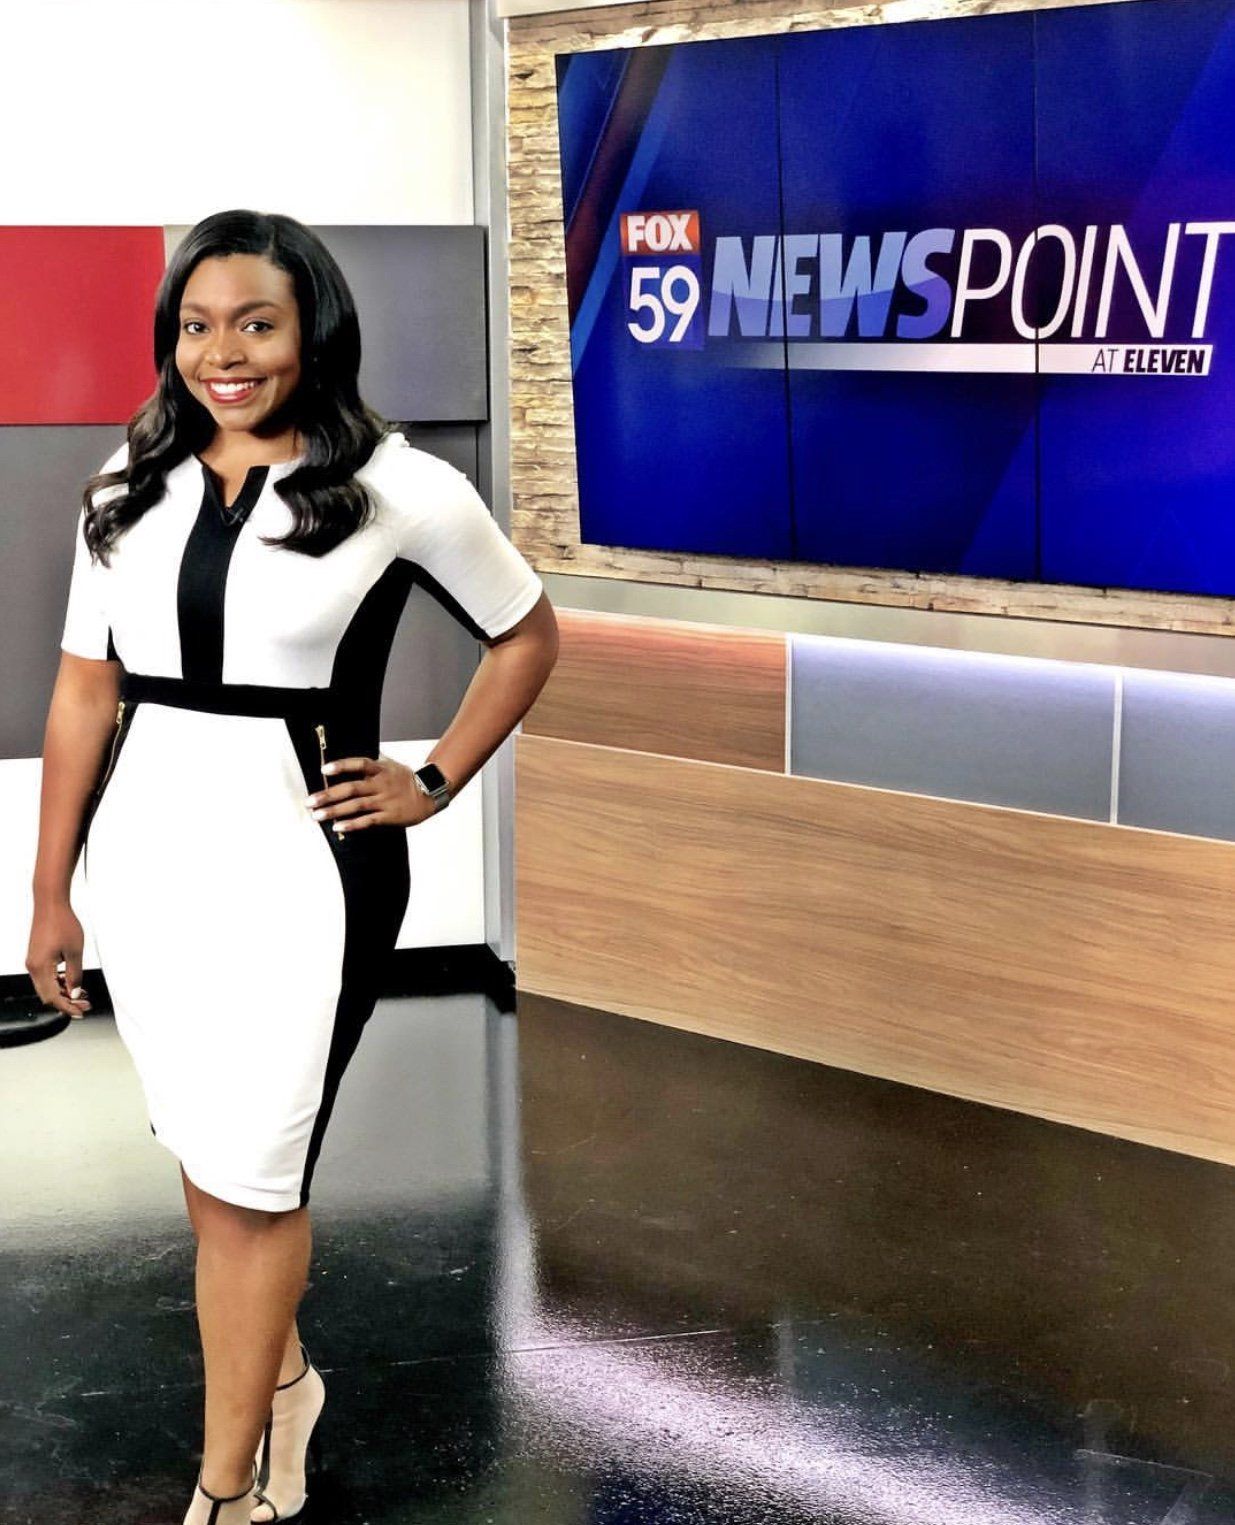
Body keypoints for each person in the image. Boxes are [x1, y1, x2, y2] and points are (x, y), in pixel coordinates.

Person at [25, 208, 559, 1525]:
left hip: (301, 874)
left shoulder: (397, 482)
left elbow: (527, 634)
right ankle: (286, 1383)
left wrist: (431, 780)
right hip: (147, 863)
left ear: (310, 326)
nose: (225, 351)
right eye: (197, 325)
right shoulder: (122, 481)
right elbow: (82, 697)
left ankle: (229, 1493)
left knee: (257, 1178)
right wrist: (50, 891)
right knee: (213, 1169)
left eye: (255, 322)